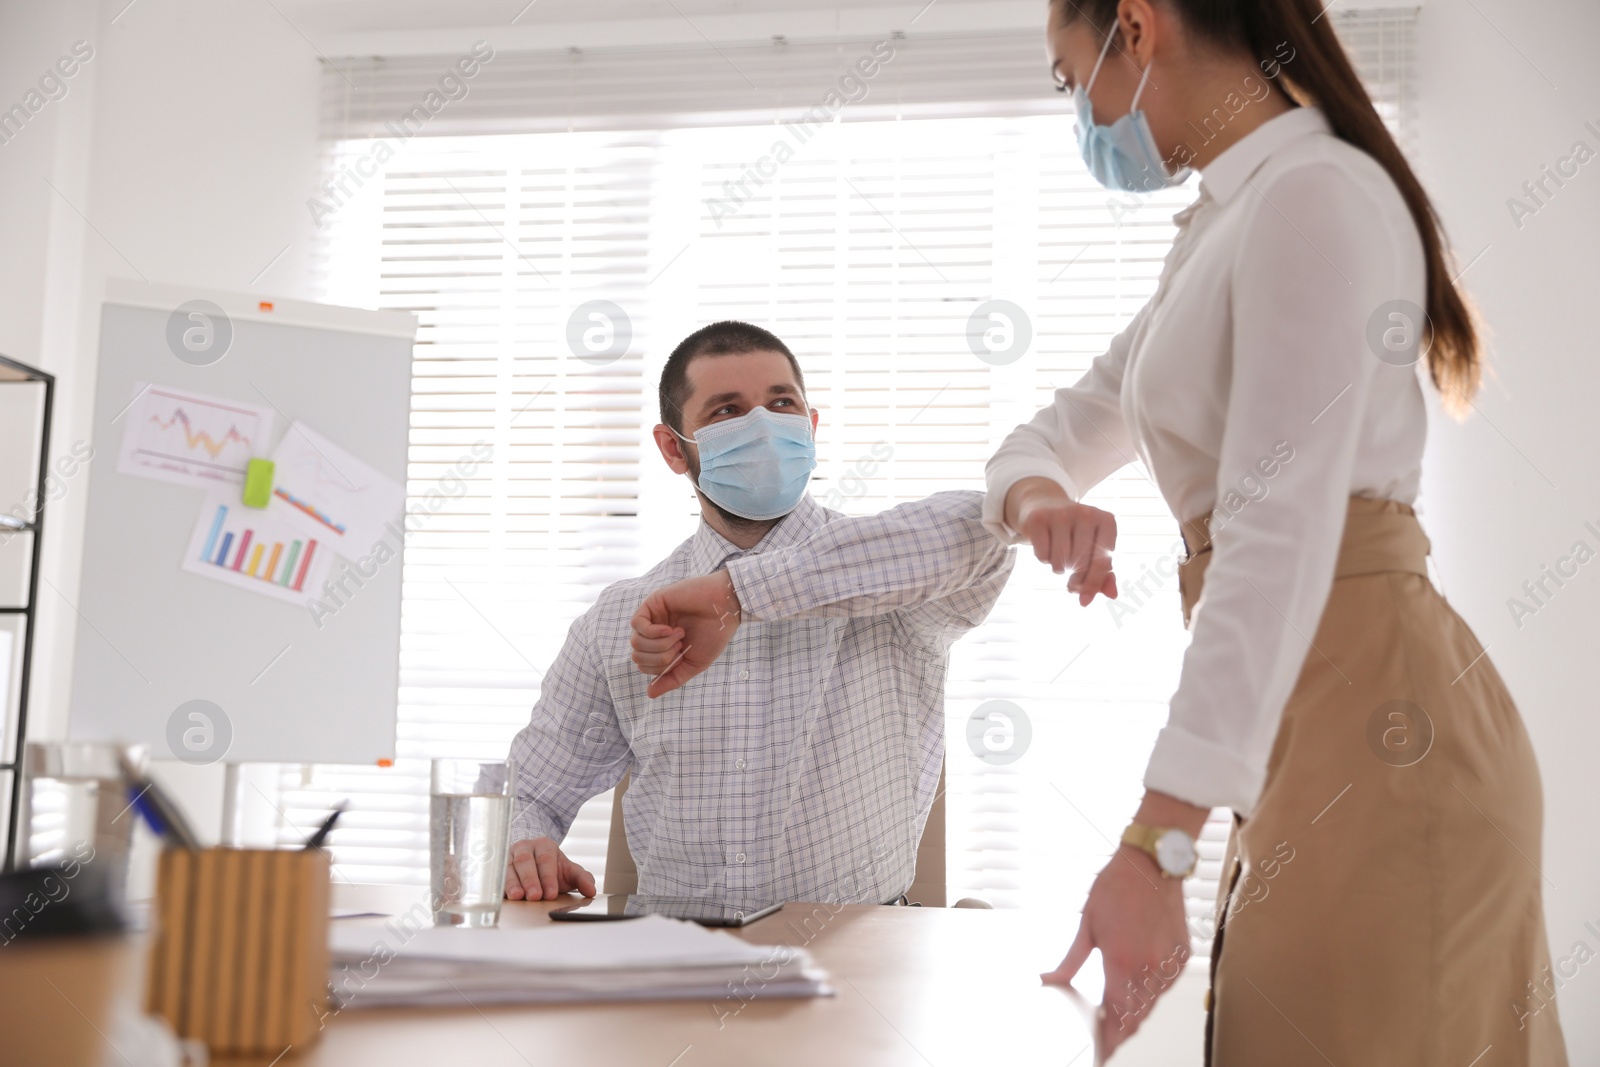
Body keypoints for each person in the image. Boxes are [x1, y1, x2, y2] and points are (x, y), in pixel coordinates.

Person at [984, 1, 1569, 1063]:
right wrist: (1040, 503)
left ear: (1135, 27)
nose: (1083, 117)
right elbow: (1043, 438)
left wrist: (1157, 846)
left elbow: (1272, 538)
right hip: (1312, 725)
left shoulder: (1313, 196)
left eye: (1073, 82)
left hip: (1388, 731)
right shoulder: (1224, 223)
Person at [503, 320, 1017, 906]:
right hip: (672, 957)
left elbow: (985, 528)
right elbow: (531, 792)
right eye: (727, 412)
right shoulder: (620, 617)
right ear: (674, 449)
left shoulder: (893, 582)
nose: (765, 428)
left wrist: (736, 593)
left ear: (812, 426)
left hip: (853, 959)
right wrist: (526, 845)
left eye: (781, 404)